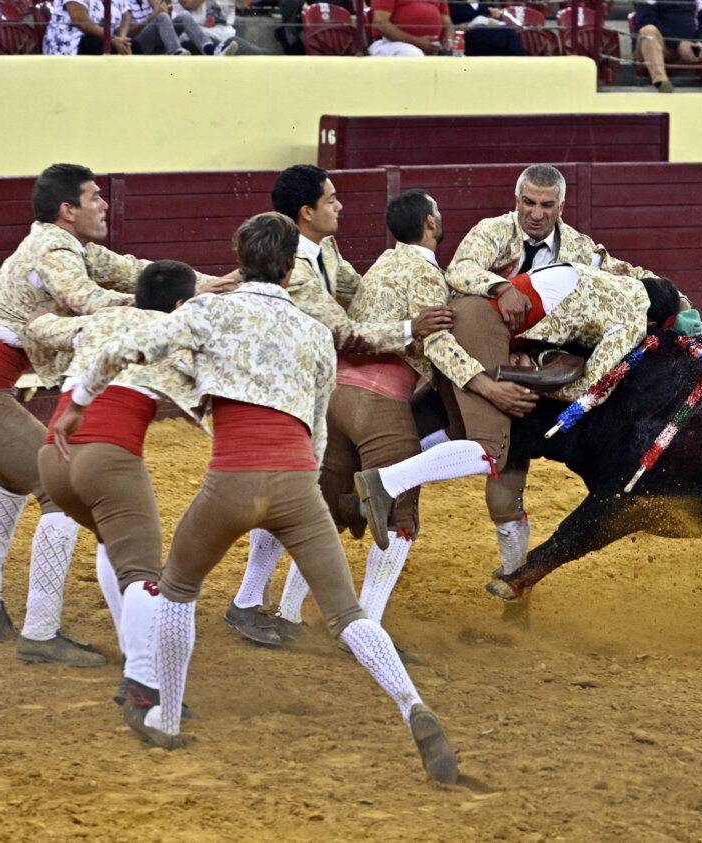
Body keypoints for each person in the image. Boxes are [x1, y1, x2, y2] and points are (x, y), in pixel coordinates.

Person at [54, 212, 459, 784]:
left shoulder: (209, 311)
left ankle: (165, 718)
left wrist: (78, 403)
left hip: (230, 481)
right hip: (296, 484)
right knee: (347, 614)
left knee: (176, 592)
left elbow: (124, 345)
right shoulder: (314, 332)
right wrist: (307, 484)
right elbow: (317, 426)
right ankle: (412, 704)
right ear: (292, 265)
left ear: (241, 263)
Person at [0, 163, 230, 665]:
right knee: (57, 487)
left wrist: (210, 283)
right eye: (94, 196)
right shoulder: (55, 250)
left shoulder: (69, 245)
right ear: (67, 210)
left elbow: (132, 268)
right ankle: (40, 632)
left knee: (15, 478)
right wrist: (158, 305)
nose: (104, 203)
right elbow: (87, 299)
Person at [225, 165, 453, 646]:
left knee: (306, 498)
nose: (340, 205)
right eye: (330, 200)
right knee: (287, 494)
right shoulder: (295, 270)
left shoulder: (323, 249)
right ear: (306, 212)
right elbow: (345, 333)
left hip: (320, 391)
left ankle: (265, 604)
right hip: (279, 391)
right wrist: (411, 328)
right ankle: (247, 602)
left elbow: (359, 292)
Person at [355, 264, 686, 580]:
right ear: (652, 322)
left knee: (459, 432)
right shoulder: (634, 319)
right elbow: (592, 390)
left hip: (463, 316)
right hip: (485, 333)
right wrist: (529, 384)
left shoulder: (603, 273)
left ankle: (355, 499)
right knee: (490, 451)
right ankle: (386, 482)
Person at [445, 163, 664, 575]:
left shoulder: (579, 247)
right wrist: (501, 287)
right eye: (528, 203)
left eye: (547, 205)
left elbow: (630, 276)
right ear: (516, 201)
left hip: (539, 368)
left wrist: (677, 300)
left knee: (506, 485)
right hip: (481, 358)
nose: (536, 213)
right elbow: (459, 269)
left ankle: (514, 576)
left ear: (561, 207)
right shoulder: (493, 231)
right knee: (449, 427)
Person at [29, 260, 202, 709]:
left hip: (54, 458)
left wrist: (38, 315)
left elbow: (43, 328)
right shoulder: (176, 332)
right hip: (108, 459)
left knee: (112, 541)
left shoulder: (98, 321)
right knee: (142, 572)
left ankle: (133, 650)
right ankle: (144, 682)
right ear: (180, 305)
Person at [117, 0, 231, 55]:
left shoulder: (149, 2)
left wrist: (158, 9)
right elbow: (126, 33)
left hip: (158, 42)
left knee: (184, 15)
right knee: (162, 17)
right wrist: (152, 18)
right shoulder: (124, 3)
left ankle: (209, 48)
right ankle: (176, 52)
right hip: (137, 45)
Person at [171, 0, 271, 54]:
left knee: (259, 52)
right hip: (195, 37)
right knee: (239, 50)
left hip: (226, 34)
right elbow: (189, 3)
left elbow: (243, 4)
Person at [367, 0, 454, 56]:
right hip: (390, 43)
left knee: (456, 59)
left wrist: (448, 39)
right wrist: (417, 42)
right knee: (412, 55)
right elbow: (380, 23)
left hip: (433, 46)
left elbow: (447, 23)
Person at [43, 0, 131, 54]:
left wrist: (122, 38)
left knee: (133, 47)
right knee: (105, 47)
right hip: (72, 41)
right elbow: (80, 20)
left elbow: (126, 14)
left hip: (107, 38)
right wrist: (111, 39)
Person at [448, 0, 523, 56]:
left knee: (503, 49)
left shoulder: (486, 3)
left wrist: (496, 16)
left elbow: (497, 19)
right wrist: (461, 26)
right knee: (508, 32)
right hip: (468, 36)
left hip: (490, 36)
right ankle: (521, 60)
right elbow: (448, 24)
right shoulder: (453, 3)